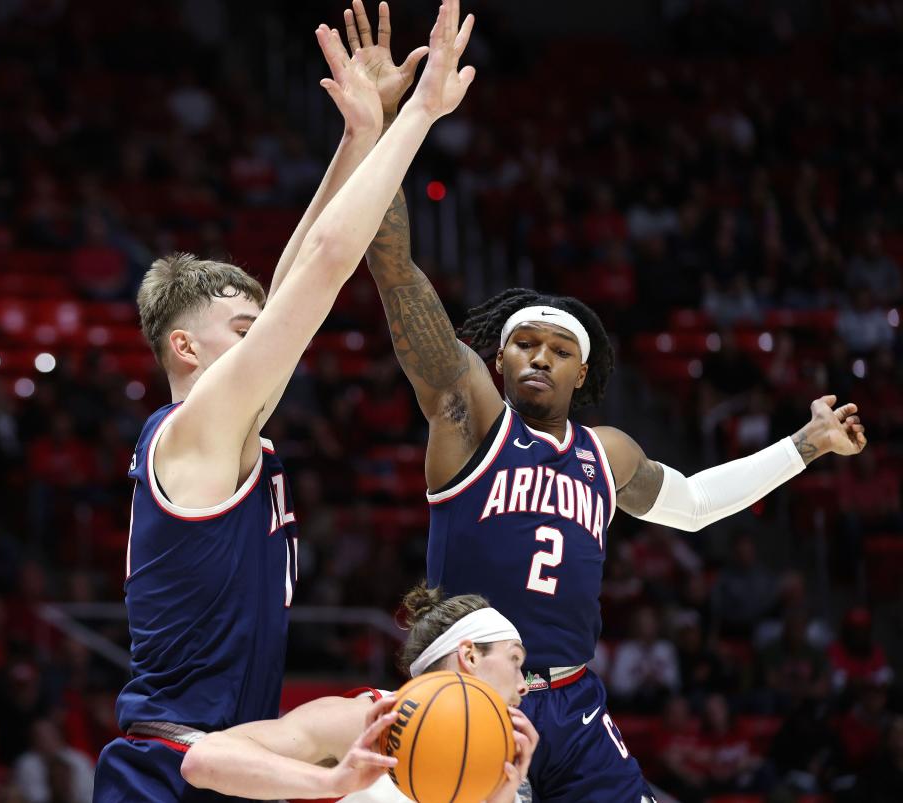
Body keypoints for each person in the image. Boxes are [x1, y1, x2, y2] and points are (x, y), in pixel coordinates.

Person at [346, 3, 869, 798]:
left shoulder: (606, 452)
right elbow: (394, 271)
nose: (539, 359)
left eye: (559, 352)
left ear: (581, 376)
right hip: (472, 698)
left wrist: (804, 444)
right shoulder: (468, 412)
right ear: (497, 356)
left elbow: (691, 503)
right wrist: (385, 126)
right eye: (524, 344)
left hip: (577, 702)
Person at [93, 2, 479, 799]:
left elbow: (308, 257)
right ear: (185, 348)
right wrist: (420, 115)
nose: (264, 335)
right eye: (244, 326)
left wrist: (359, 136)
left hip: (229, 757)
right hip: (172, 766)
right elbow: (330, 261)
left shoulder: (220, 434)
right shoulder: (194, 425)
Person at [179, 585, 538, 803]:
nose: (523, 683)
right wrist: (333, 782)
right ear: (470, 655)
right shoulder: (368, 720)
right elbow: (204, 759)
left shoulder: (502, 764)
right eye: (514, 660)